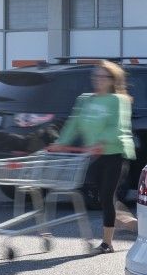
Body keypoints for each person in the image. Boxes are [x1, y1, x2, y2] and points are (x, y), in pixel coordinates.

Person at [50, 60, 137, 254]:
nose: (98, 80)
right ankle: (128, 223)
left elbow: (117, 126)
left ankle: (107, 244)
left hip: (115, 153)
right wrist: (61, 142)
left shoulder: (118, 100)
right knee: (103, 197)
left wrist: (102, 141)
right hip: (94, 155)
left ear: (111, 80)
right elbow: (74, 123)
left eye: (102, 77)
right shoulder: (85, 100)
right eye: (95, 76)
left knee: (106, 195)